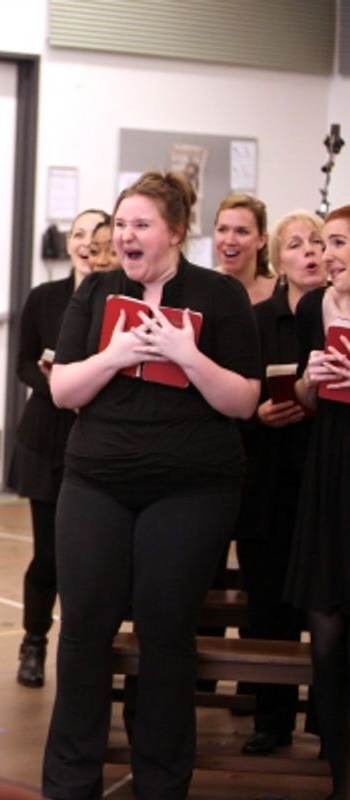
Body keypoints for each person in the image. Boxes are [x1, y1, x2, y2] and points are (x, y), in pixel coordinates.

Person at [42, 171, 260, 799]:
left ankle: (161, 783)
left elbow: (244, 401)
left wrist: (184, 353)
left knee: (166, 633)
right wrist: (117, 353)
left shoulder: (218, 294)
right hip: (98, 480)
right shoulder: (97, 291)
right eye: (121, 224)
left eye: (141, 224)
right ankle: (69, 782)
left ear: (176, 232)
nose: (125, 236)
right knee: (83, 629)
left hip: (192, 487)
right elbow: (63, 390)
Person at [235, 210, 327, 757]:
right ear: (278, 259)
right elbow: (232, 396)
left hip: (327, 480)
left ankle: (328, 724)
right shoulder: (256, 321)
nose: (309, 251)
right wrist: (258, 415)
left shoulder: (340, 314)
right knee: (268, 608)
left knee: (329, 611)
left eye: (318, 241)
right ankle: (271, 720)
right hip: (269, 479)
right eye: (295, 244)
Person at [7, 208, 109, 689]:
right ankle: (34, 643)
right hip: (46, 438)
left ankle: (86, 651)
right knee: (48, 556)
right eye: (78, 234)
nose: (87, 243)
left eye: (97, 236)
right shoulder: (45, 297)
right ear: (69, 244)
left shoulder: (120, 299)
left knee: (91, 561)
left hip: (99, 440)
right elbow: (23, 362)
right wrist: (58, 386)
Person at [287, 203, 350, 800]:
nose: (328, 255)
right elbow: (308, 399)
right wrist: (310, 378)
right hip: (329, 470)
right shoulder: (314, 308)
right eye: (326, 243)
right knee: (325, 632)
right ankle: (339, 770)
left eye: (340, 243)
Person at [215, 193, 276, 305]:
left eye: (241, 232)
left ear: (262, 240)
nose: (229, 241)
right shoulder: (201, 288)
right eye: (222, 230)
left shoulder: (282, 290)